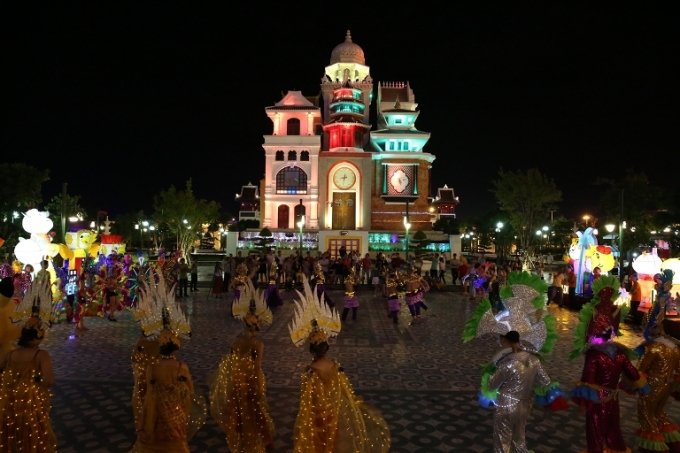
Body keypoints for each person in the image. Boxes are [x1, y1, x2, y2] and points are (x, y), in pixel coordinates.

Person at [288, 287, 390, 453]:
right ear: (327, 348)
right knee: (333, 440)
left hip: (318, 415)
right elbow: (345, 391)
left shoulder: (310, 371)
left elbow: (306, 400)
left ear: (311, 351)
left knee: (318, 443)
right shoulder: (336, 366)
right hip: (333, 412)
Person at [570, 276, 647, 453]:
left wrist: (583, 404)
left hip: (598, 399)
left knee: (595, 431)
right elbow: (634, 375)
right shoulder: (621, 353)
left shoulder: (594, 355)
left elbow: (587, 381)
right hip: (613, 397)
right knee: (613, 429)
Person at [210, 284, 275, 452]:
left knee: (239, 409)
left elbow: (232, 361)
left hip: (237, 379)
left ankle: (240, 435)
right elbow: (258, 366)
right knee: (255, 410)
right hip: (251, 380)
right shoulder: (258, 344)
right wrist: (259, 386)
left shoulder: (237, 340)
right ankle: (261, 438)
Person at [0, 279, 57, 452]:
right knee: (33, 429)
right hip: (31, 398)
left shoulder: (11, 354)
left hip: (11, 398)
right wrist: (36, 382)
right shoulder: (41, 355)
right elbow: (50, 380)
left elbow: (2, 370)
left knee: (12, 428)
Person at [487, 331, 561, 453]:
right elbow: (546, 381)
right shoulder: (534, 360)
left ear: (505, 341)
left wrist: (493, 368)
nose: (501, 344)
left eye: (501, 341)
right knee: (519, 439)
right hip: (524, 405)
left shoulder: (507, 363)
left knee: (502, 441)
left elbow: (491, 385)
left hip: (506, 405)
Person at [635, 273, 680, 453]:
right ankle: (672, 444)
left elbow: (639, 370)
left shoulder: (653, 347)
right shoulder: (675, 346)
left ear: (654, 328)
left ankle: (654, 449)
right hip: (669, 385)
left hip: (653, 384)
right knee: (660, 413)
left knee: (646, 414)